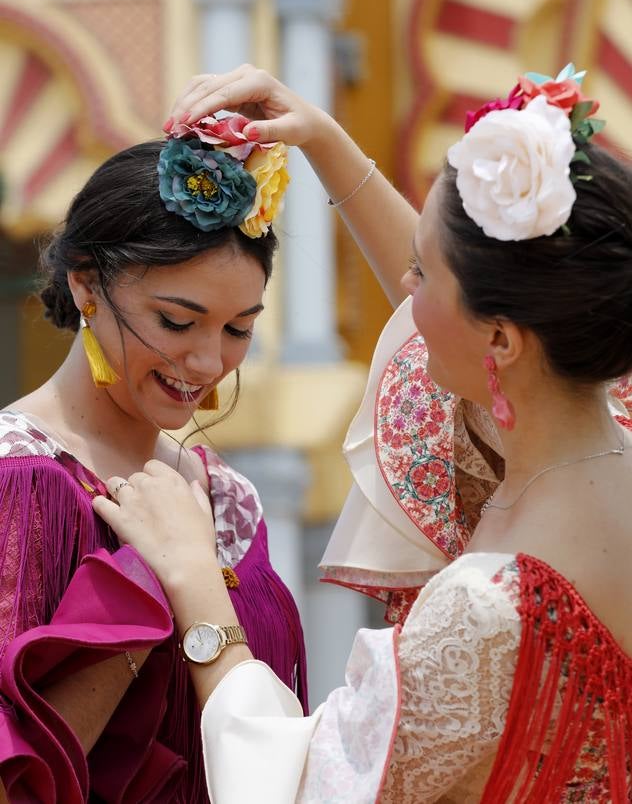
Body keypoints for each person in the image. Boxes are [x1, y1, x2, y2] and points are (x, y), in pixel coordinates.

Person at [94, 64, 632, 802]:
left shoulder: (484, 612)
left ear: (501, 341)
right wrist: (321, 138)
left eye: (423, 274)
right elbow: (480, 306)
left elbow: (306, 783)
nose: (404, 294)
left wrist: (197, 585)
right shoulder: (597, 425)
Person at [0, 117, 306, 803]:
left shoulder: (228, 495)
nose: (206, 362)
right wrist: (149, 580)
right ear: (85, 285)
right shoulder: (18, 478)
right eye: (176, 321)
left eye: (238, 330)